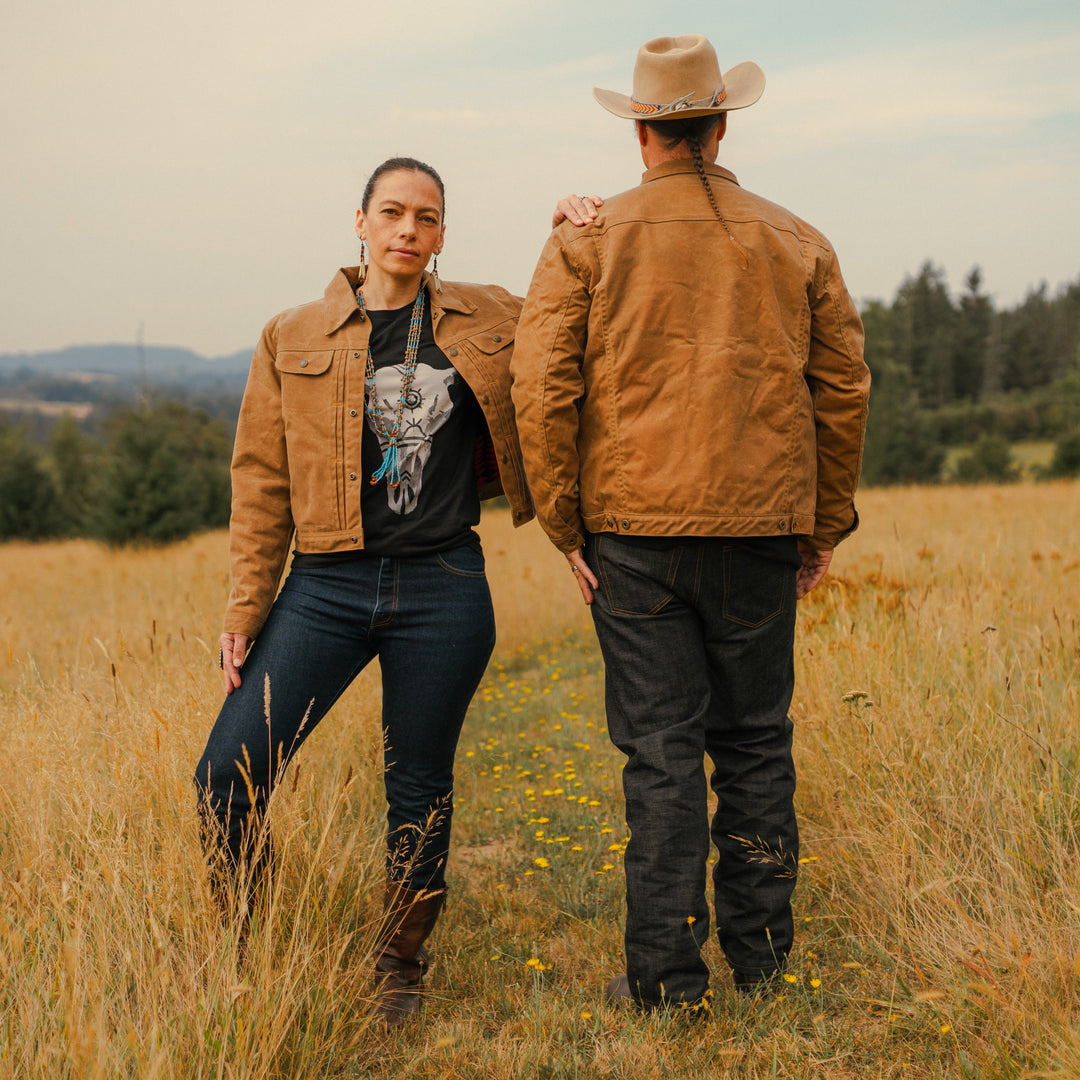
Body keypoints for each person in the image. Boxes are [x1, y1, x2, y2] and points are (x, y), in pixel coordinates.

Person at [511, 35, 870, 1010]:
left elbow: (540, 385)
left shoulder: (587, 237)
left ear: (640, 134)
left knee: (661, 753)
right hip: (760, 530)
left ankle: (669, 982)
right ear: (719, 125)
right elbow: (842, 392)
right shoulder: (798, 240)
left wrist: (565, 526)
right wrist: (822, 526)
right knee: (754, 742)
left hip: (631, 535)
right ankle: (762, 957)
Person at [194, 157, 585, 1025]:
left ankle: (400, 963)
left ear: (443, 234)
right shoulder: (290, 334)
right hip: (324, 586)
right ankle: (249, 944)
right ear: (361, 221)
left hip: (443, 584)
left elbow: (575, 310)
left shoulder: (486, 316)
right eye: (395, 212)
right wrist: (243, 611)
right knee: (229, 773)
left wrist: (566, 227)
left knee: (418, 786)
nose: (411, 229)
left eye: (429, 217)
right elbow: (259, 482)